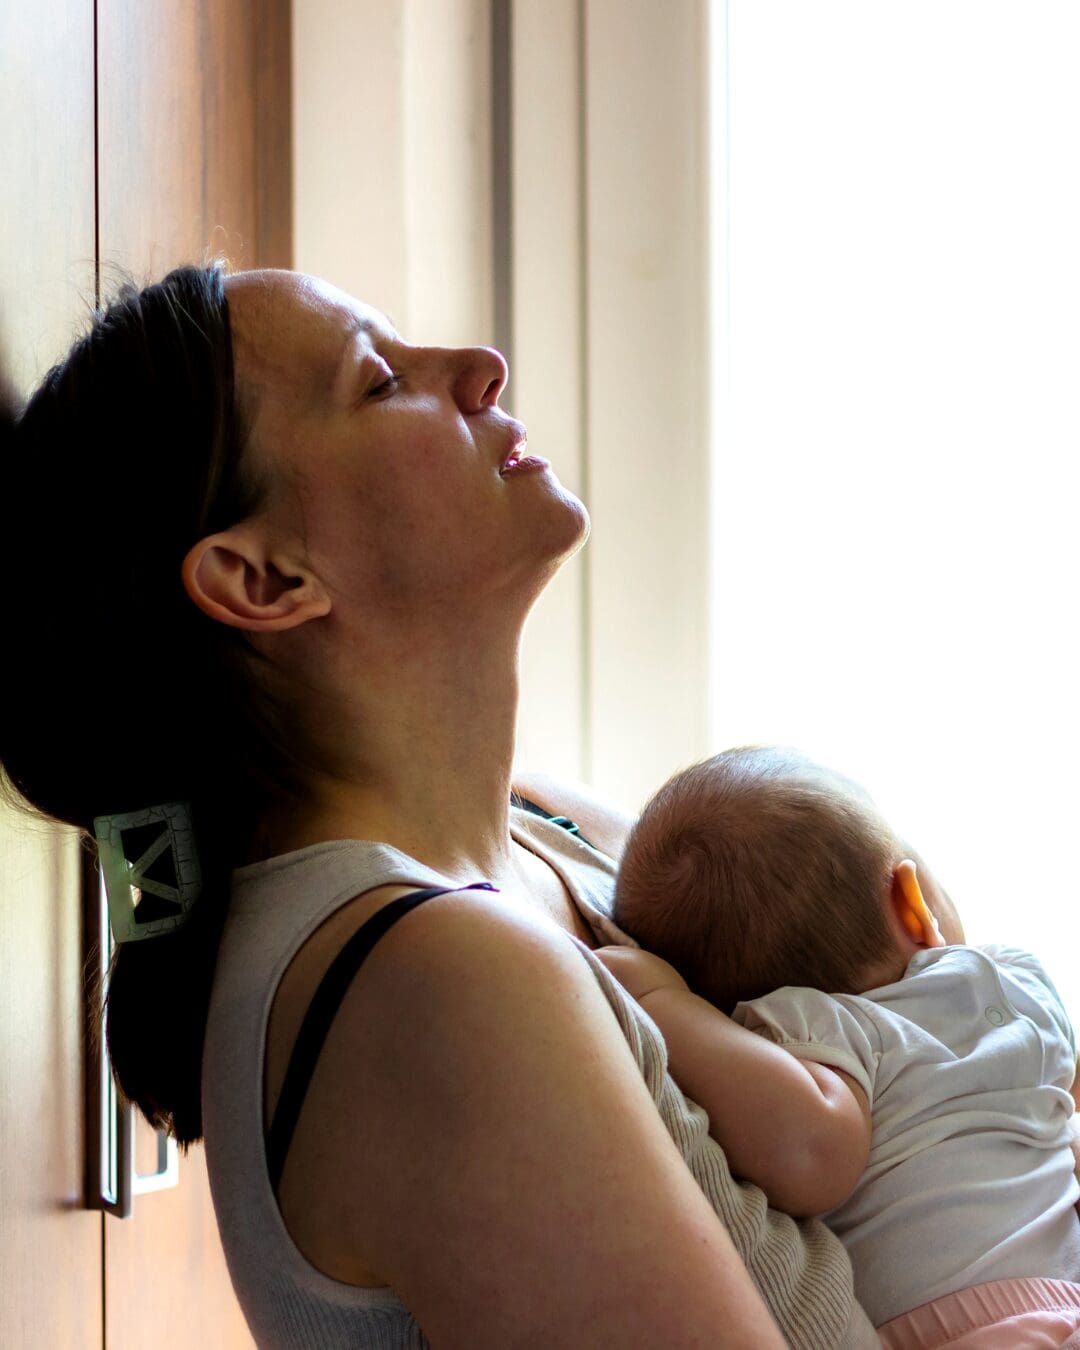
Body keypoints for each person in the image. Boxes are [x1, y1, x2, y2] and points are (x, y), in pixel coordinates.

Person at [0, 267, 880, 1347]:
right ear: (265, 582)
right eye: (379, 380)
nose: (477, 368)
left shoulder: (550, 832)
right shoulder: (435, 980)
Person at [597, 745, 1080, 1346]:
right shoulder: (1013, 980)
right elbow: (1063, 1103)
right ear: (913, 903)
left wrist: (658, 1002)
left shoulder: (819, 1032)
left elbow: (810, 1155)